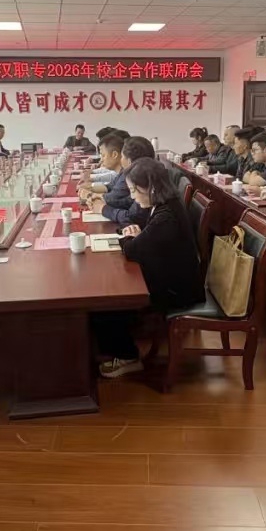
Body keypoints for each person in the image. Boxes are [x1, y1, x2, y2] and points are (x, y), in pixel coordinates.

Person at [93, 158, 204, 379]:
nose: (133, 196)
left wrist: (132, 239)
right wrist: (137, 235)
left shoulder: (166, 216)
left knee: (106, 299)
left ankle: (128, 357)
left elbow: (132, 249)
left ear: (151, 188)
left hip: (177, 290)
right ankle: (113, 346)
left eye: (135, 190)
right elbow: (144, 237)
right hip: (171, 276)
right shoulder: (165, 203)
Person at [90, 136, 156, 226]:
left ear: (129, 162)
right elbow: (128, 201)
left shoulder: (144, 182)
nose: (120, 160)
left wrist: (103, 209)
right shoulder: (142, 174)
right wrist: (103, 201)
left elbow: (132, 217)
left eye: (122, 156)